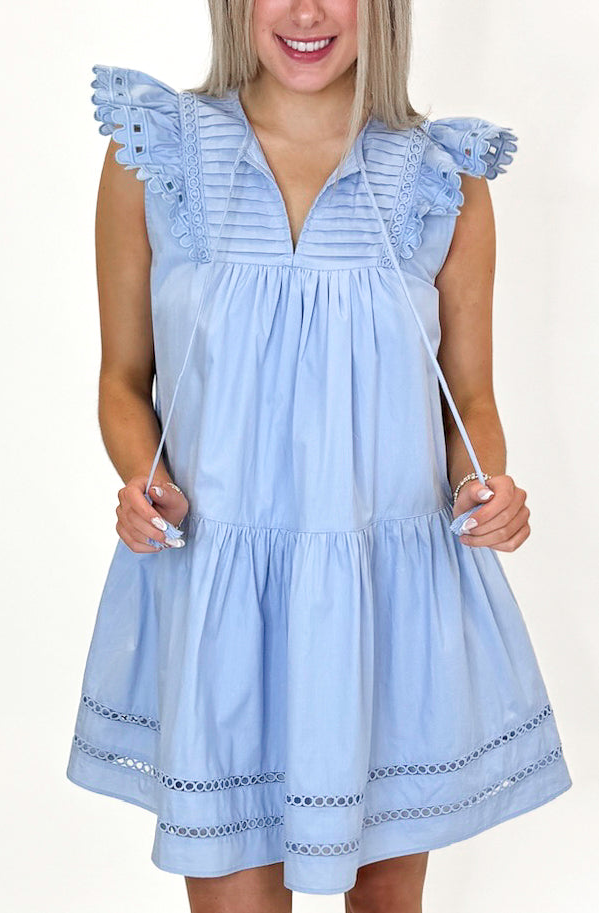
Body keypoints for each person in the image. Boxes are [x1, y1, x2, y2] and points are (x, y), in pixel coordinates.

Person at [66, 1, 572, 910]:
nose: (304, 12)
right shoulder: (157, 153)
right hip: (222, 585)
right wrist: (144, 479)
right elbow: (121, 376)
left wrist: (480, 486)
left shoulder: (441, 176)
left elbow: (471, 401)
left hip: (384, 596)